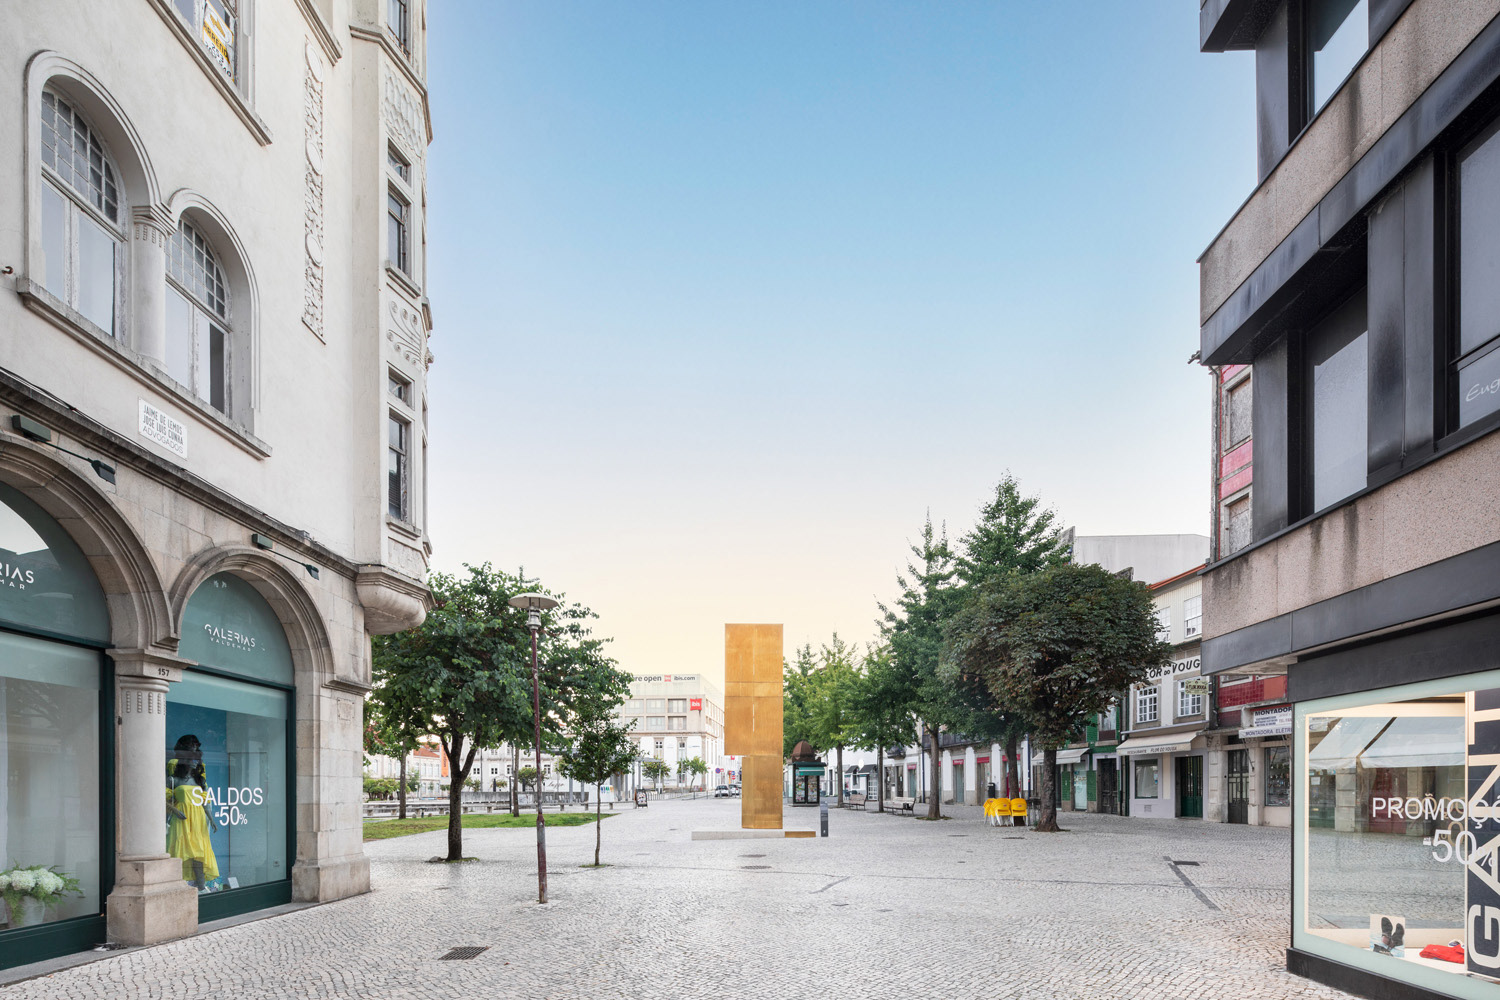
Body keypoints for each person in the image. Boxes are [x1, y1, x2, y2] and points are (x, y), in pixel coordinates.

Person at [166, 735, 221, 891]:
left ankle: (201, 887)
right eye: (191, 758)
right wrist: (175, 811)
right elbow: (162, 800)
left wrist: (212, 819)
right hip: (181, 820)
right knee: (180, 852)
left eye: (196, 758)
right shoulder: (173, 779)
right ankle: (176, 886)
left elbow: (206, 802)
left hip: (198, 821)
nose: (194, 761)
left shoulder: (199, 780)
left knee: (198, 854)